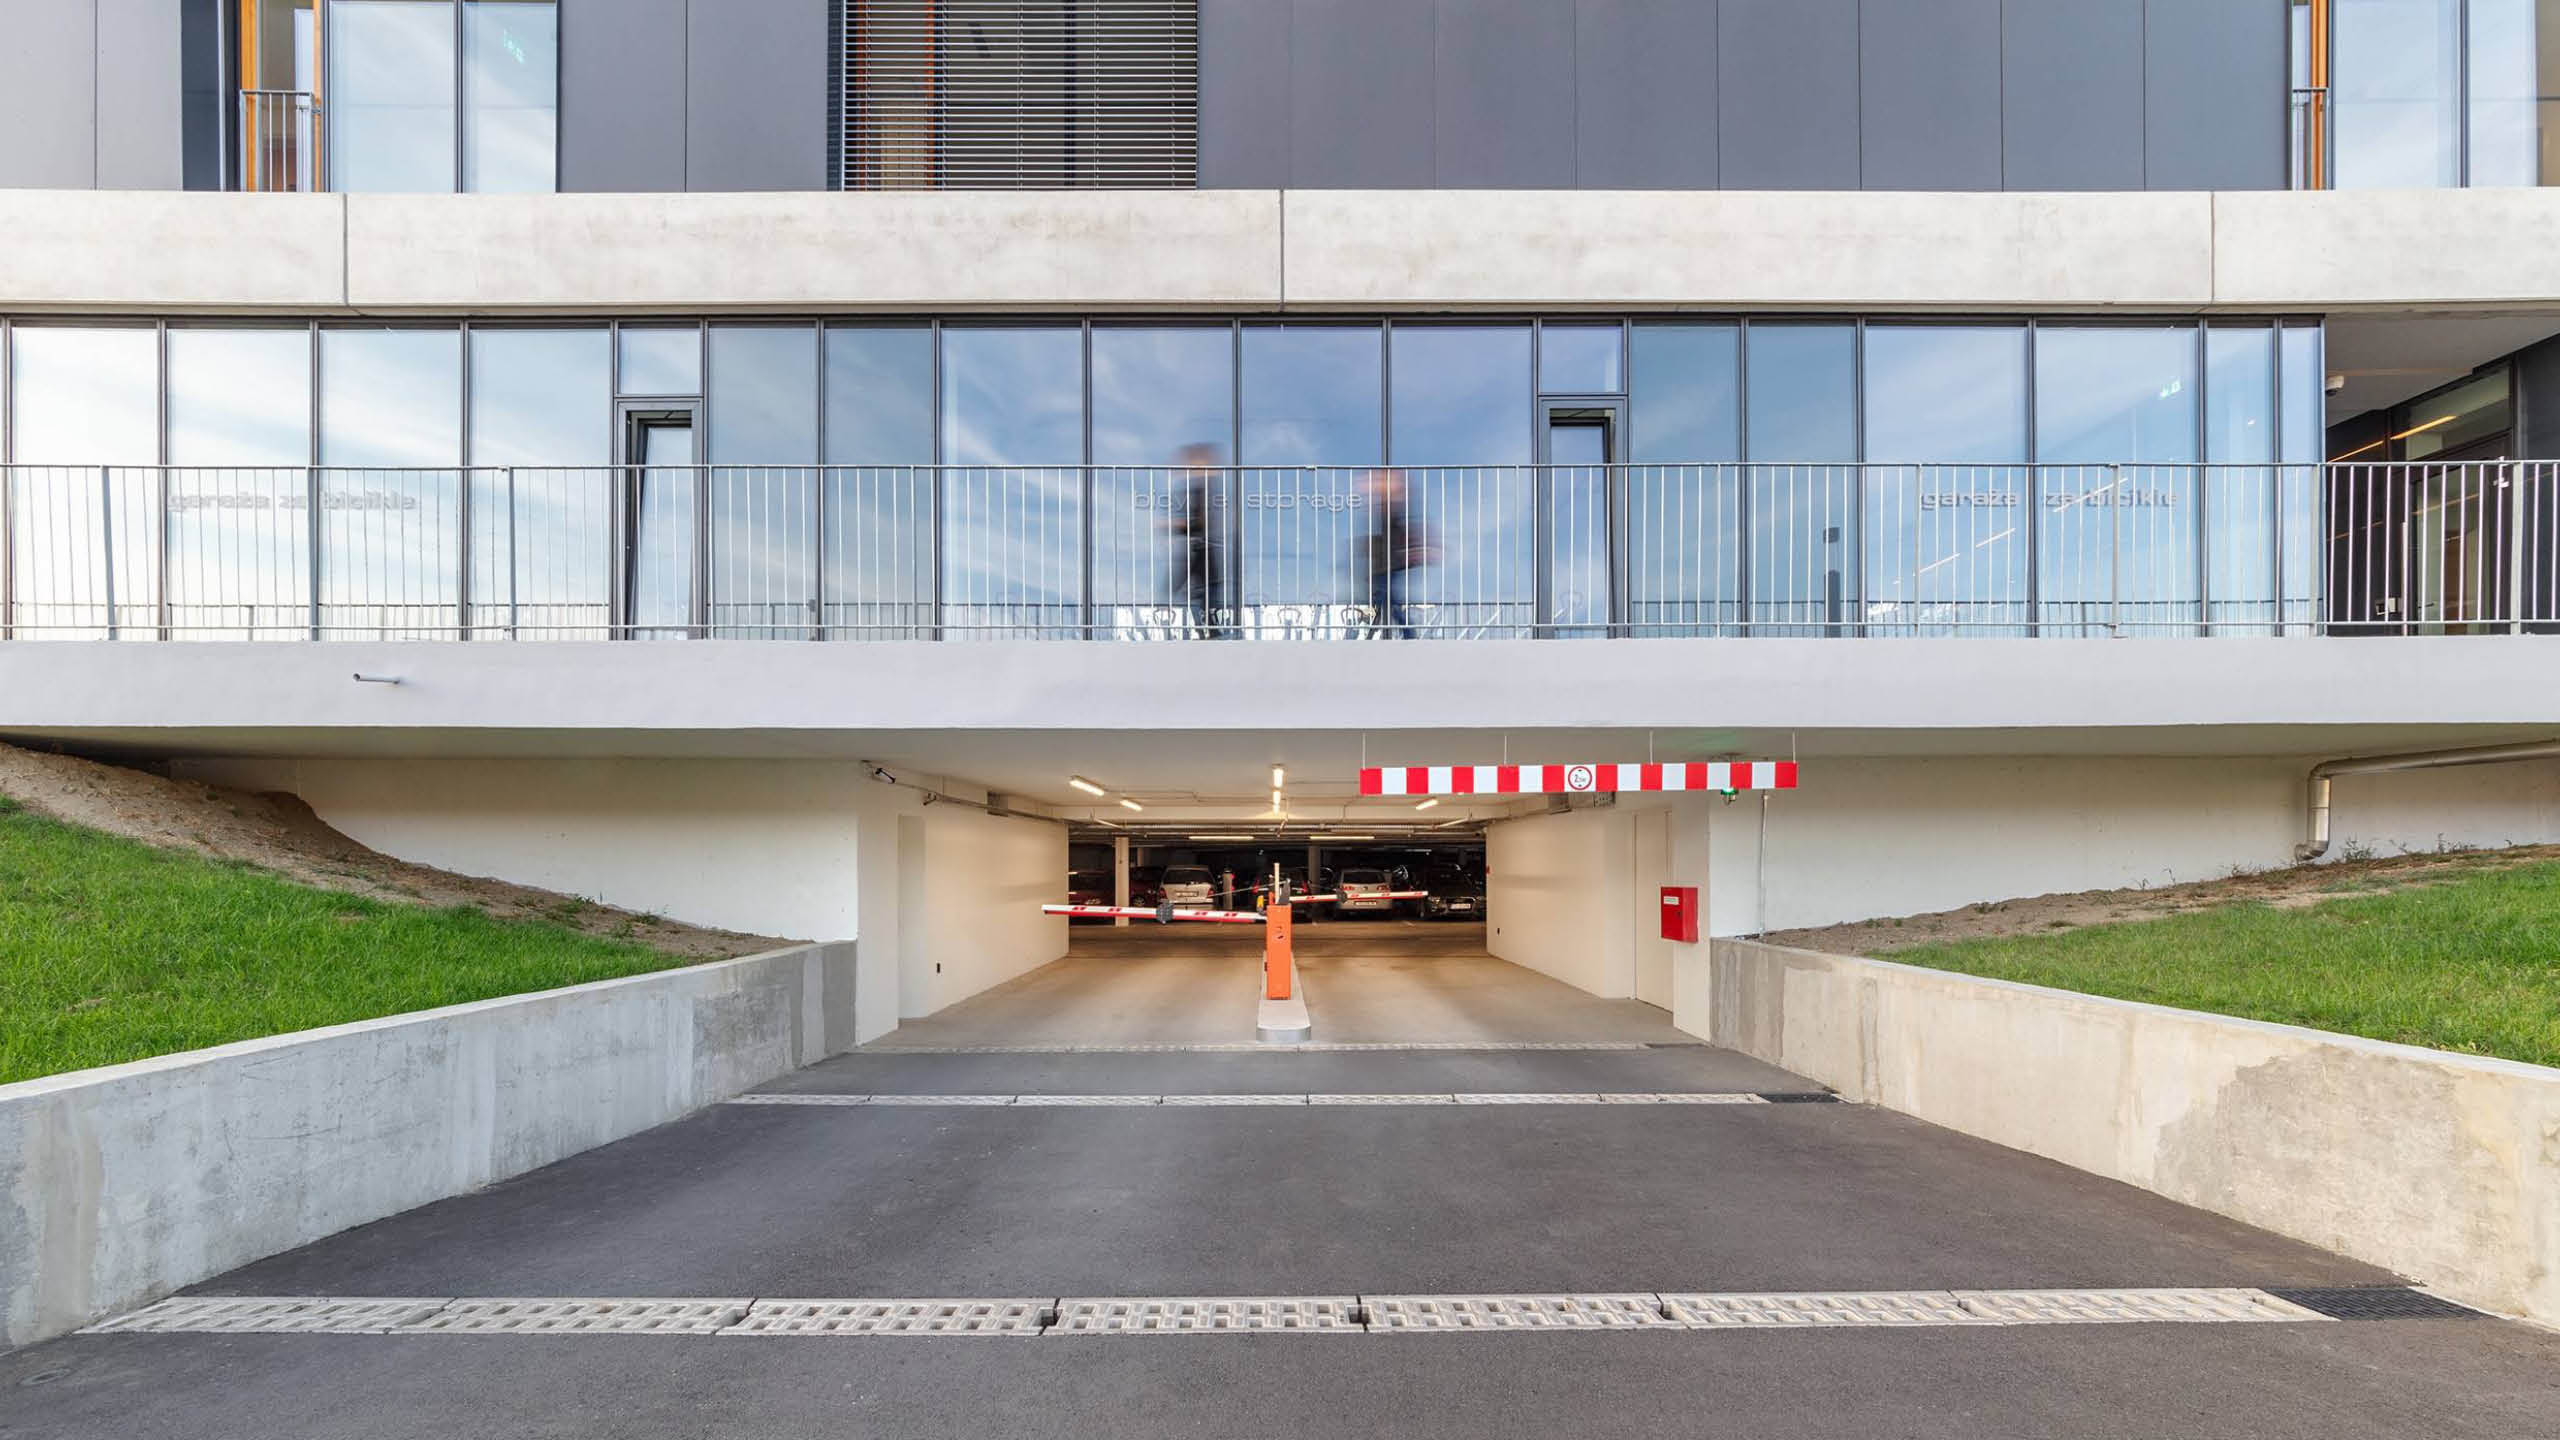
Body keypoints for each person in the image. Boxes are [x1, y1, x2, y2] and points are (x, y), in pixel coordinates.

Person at [1361, 468, 1431, 638]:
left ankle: (1402, 633)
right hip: (1385, 567)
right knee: (1387, 600)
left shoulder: (1392, 518)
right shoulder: (1388, 519)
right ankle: (1381, 631)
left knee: (1388, 601)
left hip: (1388, 567)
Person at [1167, 441, 1227, 638]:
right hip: (1200, 552)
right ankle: (1208, 631)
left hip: (1203, 552)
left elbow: (1201, 523)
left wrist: (1177, 525)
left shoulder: (1204, 488)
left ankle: (1209, 632)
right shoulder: (1200, 487)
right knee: (1199, 593)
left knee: (1199, 593)